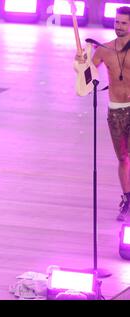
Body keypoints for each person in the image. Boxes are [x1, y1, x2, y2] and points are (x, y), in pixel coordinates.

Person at [76, 7, 130, 221]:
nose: (119, 26)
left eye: (124, 23)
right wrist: (81, 62)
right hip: (116, 110)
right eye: (117, 22)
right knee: (124, 158)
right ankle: (128, 199)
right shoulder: (104, 50)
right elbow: (87, 77)